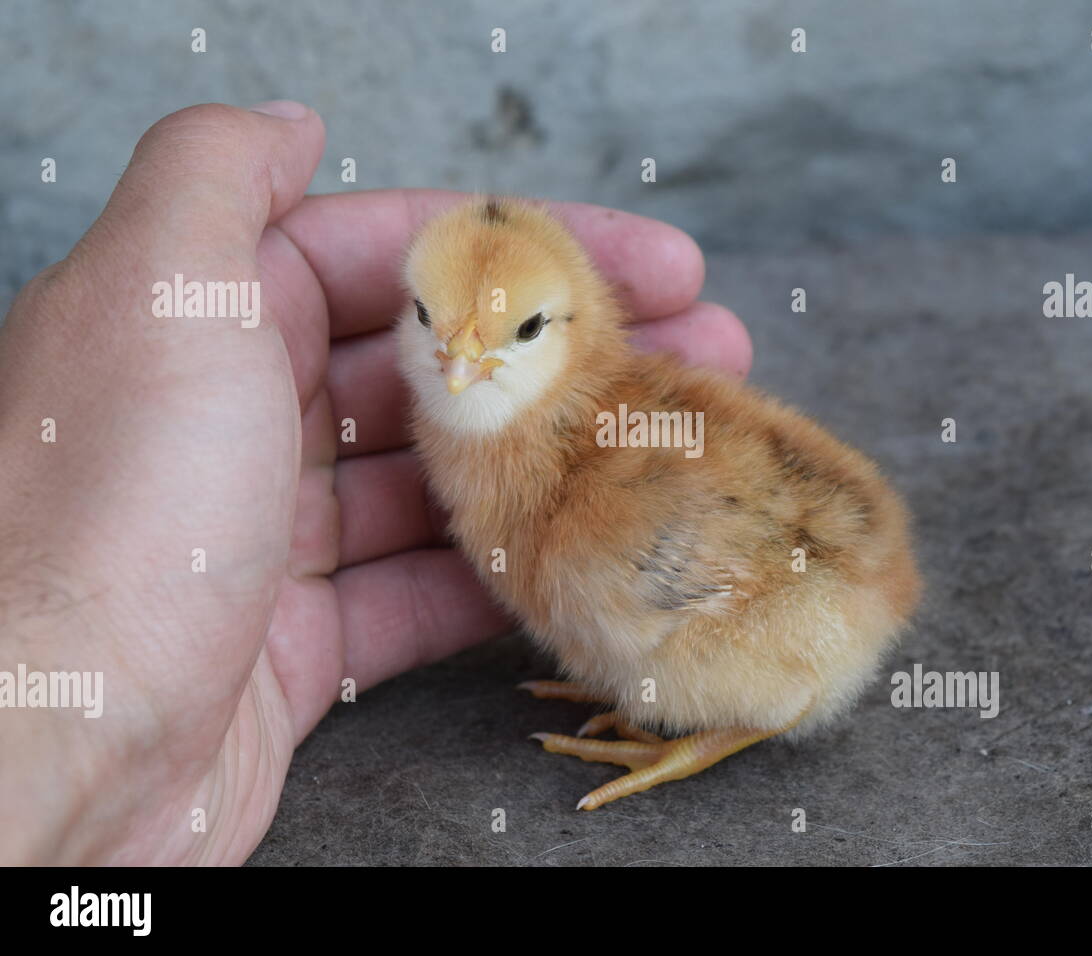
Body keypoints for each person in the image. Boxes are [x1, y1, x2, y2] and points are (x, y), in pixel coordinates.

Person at [0, 101, 751, 864]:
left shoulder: (618, 473)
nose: (458, 366)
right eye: (431, 319)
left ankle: (746, 717)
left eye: (520, 332)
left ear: (573, 329)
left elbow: (811, 569)